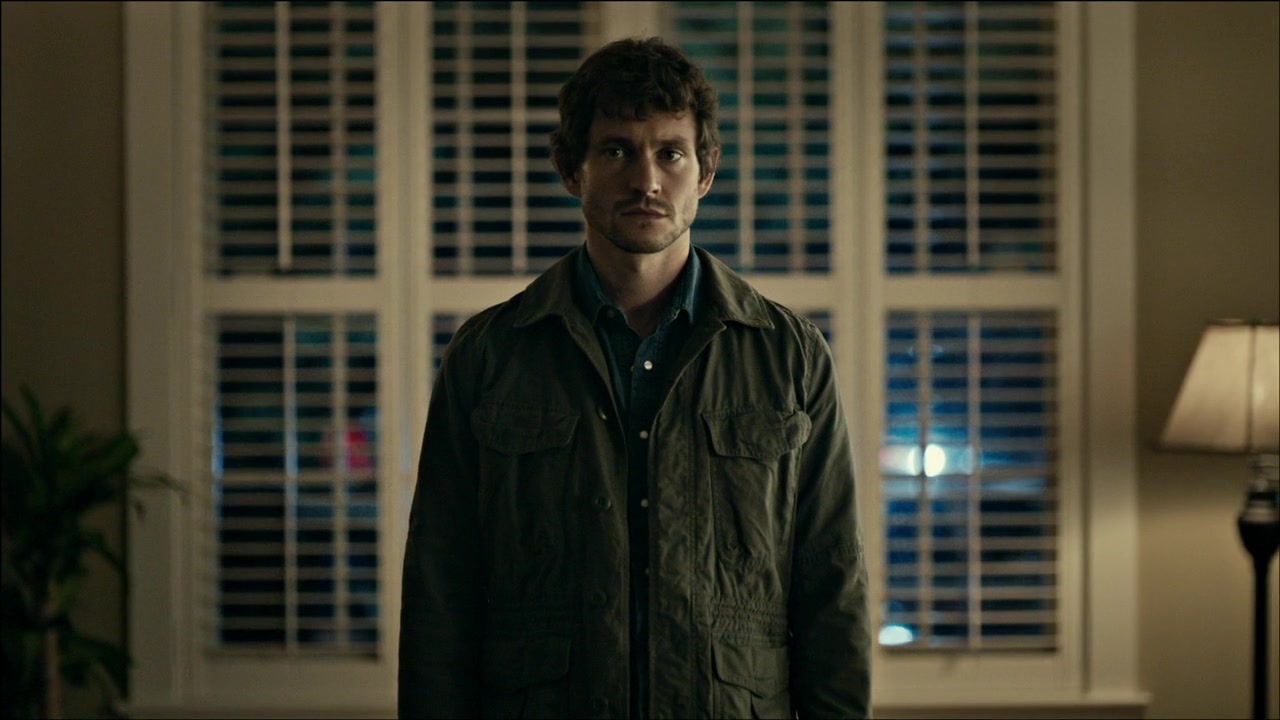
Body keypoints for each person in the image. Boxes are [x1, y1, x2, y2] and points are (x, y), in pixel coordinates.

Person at [399, 36, 870, 719]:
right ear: (572, 170)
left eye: (670, 153)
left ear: (705, 174)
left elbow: (832, 582)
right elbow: (440, 589)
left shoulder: (789, 356)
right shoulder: (491, 355)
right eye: (617, 150)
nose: (647, 181)